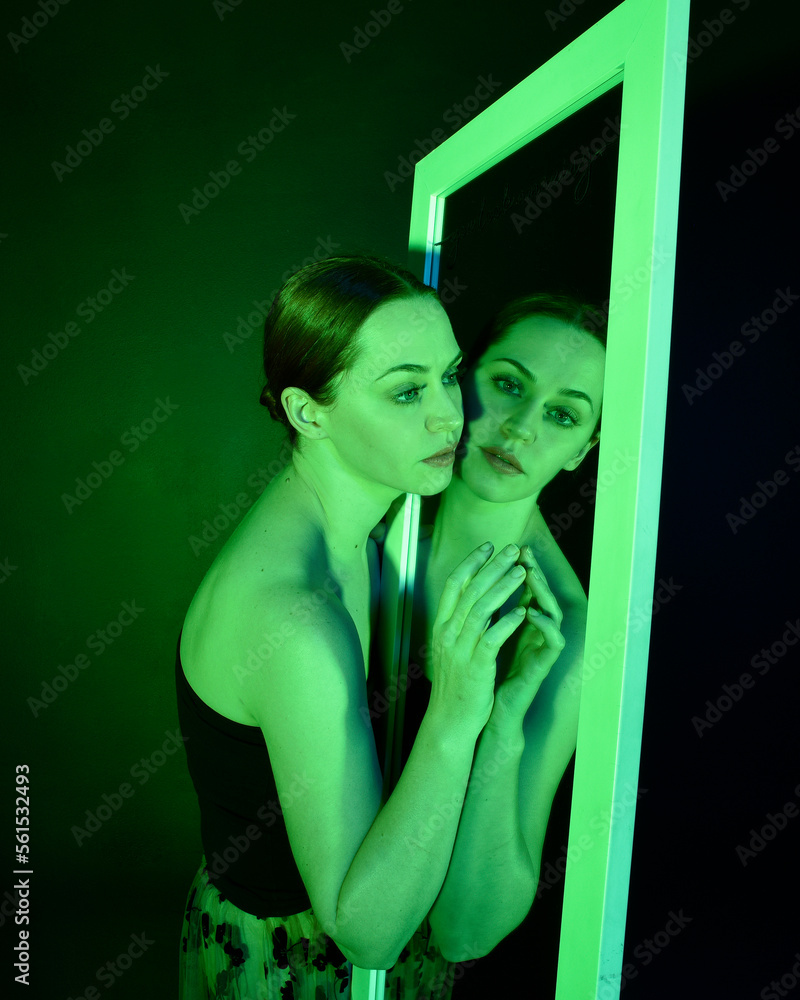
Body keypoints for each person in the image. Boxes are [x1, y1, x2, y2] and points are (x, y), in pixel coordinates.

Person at [175, 255, 540, 999]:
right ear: (310, 413)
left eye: (449, 375)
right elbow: (366, 933)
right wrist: (458, 710)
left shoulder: (360, 533)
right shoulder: (293, 617)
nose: (449, 414)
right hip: (287, 968)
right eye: (407, 391)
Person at [401, 292, 606, 961]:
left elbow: (466, 933)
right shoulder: (364, 523)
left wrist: (503, 727)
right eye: (510, 384)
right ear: (463, 380)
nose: (520, 427)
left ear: (582, 450)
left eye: (563, 415)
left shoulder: (567, 632)